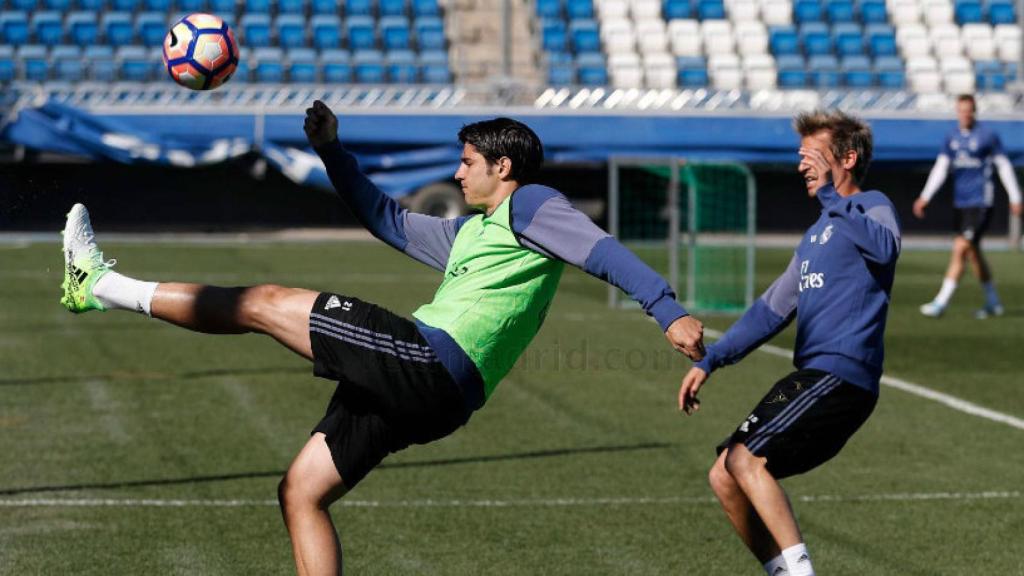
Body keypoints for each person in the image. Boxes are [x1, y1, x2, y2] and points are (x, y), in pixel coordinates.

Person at [59, 100, 705, 576]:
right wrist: (332, 150)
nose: (458, 174)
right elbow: (385, 218)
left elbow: (603, 251)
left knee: (264, 302)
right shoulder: (471, 232)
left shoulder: (531, 203)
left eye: (468, 162)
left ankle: (99, 285)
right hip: (438, 392)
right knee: (301, 492)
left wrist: (665, 308)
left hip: (428, 361)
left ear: (503, 166)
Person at [677, 110, 900, 576]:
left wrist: (827, 195)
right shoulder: (816, 234)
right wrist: (711, 359)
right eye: (800, 157)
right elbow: (771, 309)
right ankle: (783, 570)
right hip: (813, 376)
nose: (802, 166)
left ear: (848, 158)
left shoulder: (872, 204)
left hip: (841, 374)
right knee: (724, 473)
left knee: (745, 458)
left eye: (812, 156)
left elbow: (885, 247)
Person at [914, 93, 1022, 319]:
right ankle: (993, 302)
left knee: (961, 248)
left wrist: (1015, 196)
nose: (965, 114)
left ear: (974, 111)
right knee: (973, 253)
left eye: (968, 110)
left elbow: (1003, 167)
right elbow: (941, 168)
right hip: (961, 204)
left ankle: (940, 303)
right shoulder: (951, 137)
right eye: (961, 110)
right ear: (957, 112)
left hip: (981, 202)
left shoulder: (987, 136)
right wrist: (925, 196)